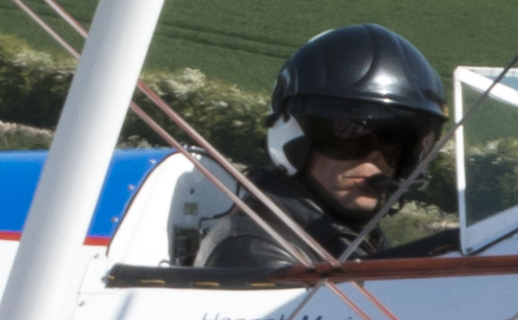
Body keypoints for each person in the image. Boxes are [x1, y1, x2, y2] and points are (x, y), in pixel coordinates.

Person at [187, 22, 455, 283]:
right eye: (350, 137)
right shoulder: (254, 250)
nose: (374, 157)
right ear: (294, 135)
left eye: (395, 143)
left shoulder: (349, 234)